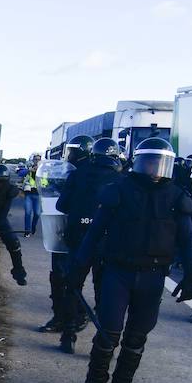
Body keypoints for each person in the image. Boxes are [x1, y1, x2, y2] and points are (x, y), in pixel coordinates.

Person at [72, 137, 192, 383]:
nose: (154, 168)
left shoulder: (177, 196)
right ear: (140, 161)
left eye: (160, 162)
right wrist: (78, 268)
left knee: (137, 337)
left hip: (153, 276)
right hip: (118, 271)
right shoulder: (118, 189)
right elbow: (95, 232)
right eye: (150, 161)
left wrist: (191, 278)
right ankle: (94, 382)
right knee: (108, 331)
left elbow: (188, 240)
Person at [55, 137, 122, 353]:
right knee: (104, 292)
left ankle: (69, 335)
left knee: (73, 287)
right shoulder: (121, 179)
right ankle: (101, 342)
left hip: (78, 239)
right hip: (107, 242)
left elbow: (61, 204)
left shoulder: (77, 173)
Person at [22, 156, 43, 236]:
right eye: (36, 159)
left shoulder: (42, 170)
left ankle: (33, 227)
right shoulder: (29, 169)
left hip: (38, 195)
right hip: (29, 194)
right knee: (28, 213)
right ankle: (27, 231)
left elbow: (46, 181)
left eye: (38, 159)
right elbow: (21, 173)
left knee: (37, 214)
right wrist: (29, 170)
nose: (37, 161)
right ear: (33, 160)